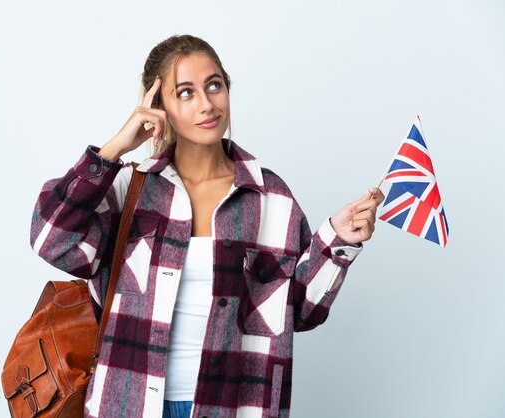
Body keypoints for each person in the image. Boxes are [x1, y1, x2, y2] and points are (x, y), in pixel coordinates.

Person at [30, 34, 384, 418]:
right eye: (185, 92)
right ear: (157, 105)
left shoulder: (271, 198)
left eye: (214, 85)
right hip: (128, 405)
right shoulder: (127, 190)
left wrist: (338, 242)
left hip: (235, 407)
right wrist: (114, 149)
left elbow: (298, 312)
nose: (205, 104)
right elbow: (52, 240)